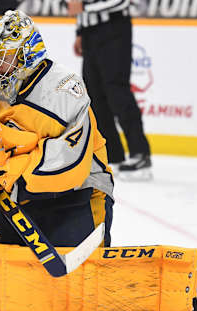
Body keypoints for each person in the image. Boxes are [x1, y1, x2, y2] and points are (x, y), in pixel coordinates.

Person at [0, 10, 114, 247]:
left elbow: (69, 164)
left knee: (80, 278)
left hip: (79, 193)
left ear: (28, 54)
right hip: (10, 191)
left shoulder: (64, 90)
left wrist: (9, 170)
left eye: (5, 57)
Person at [67, 0, 152, 181]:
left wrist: (85, 7)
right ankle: (112, 156)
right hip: (91, 31)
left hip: (113, 28)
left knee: (117, 90)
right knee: (95, 96)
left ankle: (140, 153)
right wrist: (81, 30)